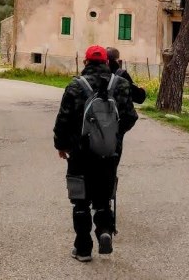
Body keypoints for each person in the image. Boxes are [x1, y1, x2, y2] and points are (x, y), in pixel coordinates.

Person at [54, 45, 138, 262]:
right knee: (103, 197)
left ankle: (82, 249)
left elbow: (63, 119)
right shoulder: (120, 84)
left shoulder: (75, 86)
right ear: (108, 63)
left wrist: (61, 145)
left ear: (85, 62)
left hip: (79, 153)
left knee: (80, 200)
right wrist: (114, 135)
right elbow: (130, 116)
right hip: (109, 153)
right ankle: (104, 231)